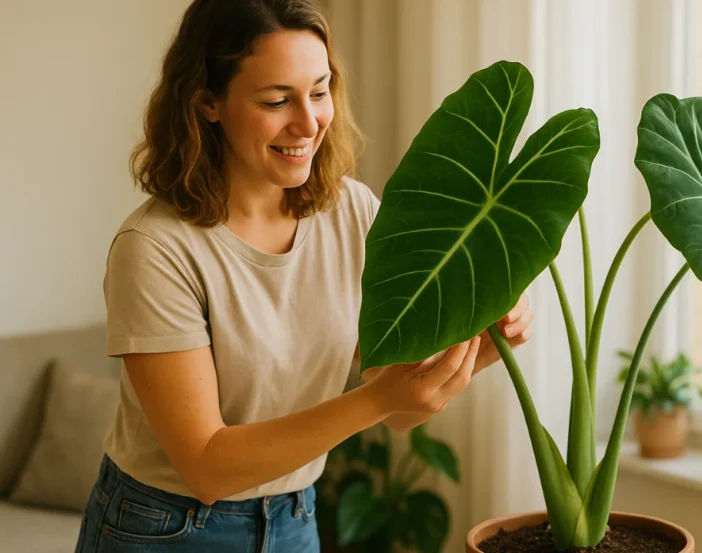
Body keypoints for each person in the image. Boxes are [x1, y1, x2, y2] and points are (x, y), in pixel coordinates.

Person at [73, 1, 533, 551]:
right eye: (276, 100)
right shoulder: (154, 250)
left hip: (295, 518)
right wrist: (383, 398)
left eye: (319, 92)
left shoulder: (352, 213)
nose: (310, 122)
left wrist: (475, 345)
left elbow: (395, 398)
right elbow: (207, 467)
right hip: (166, 527)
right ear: (207, 103)